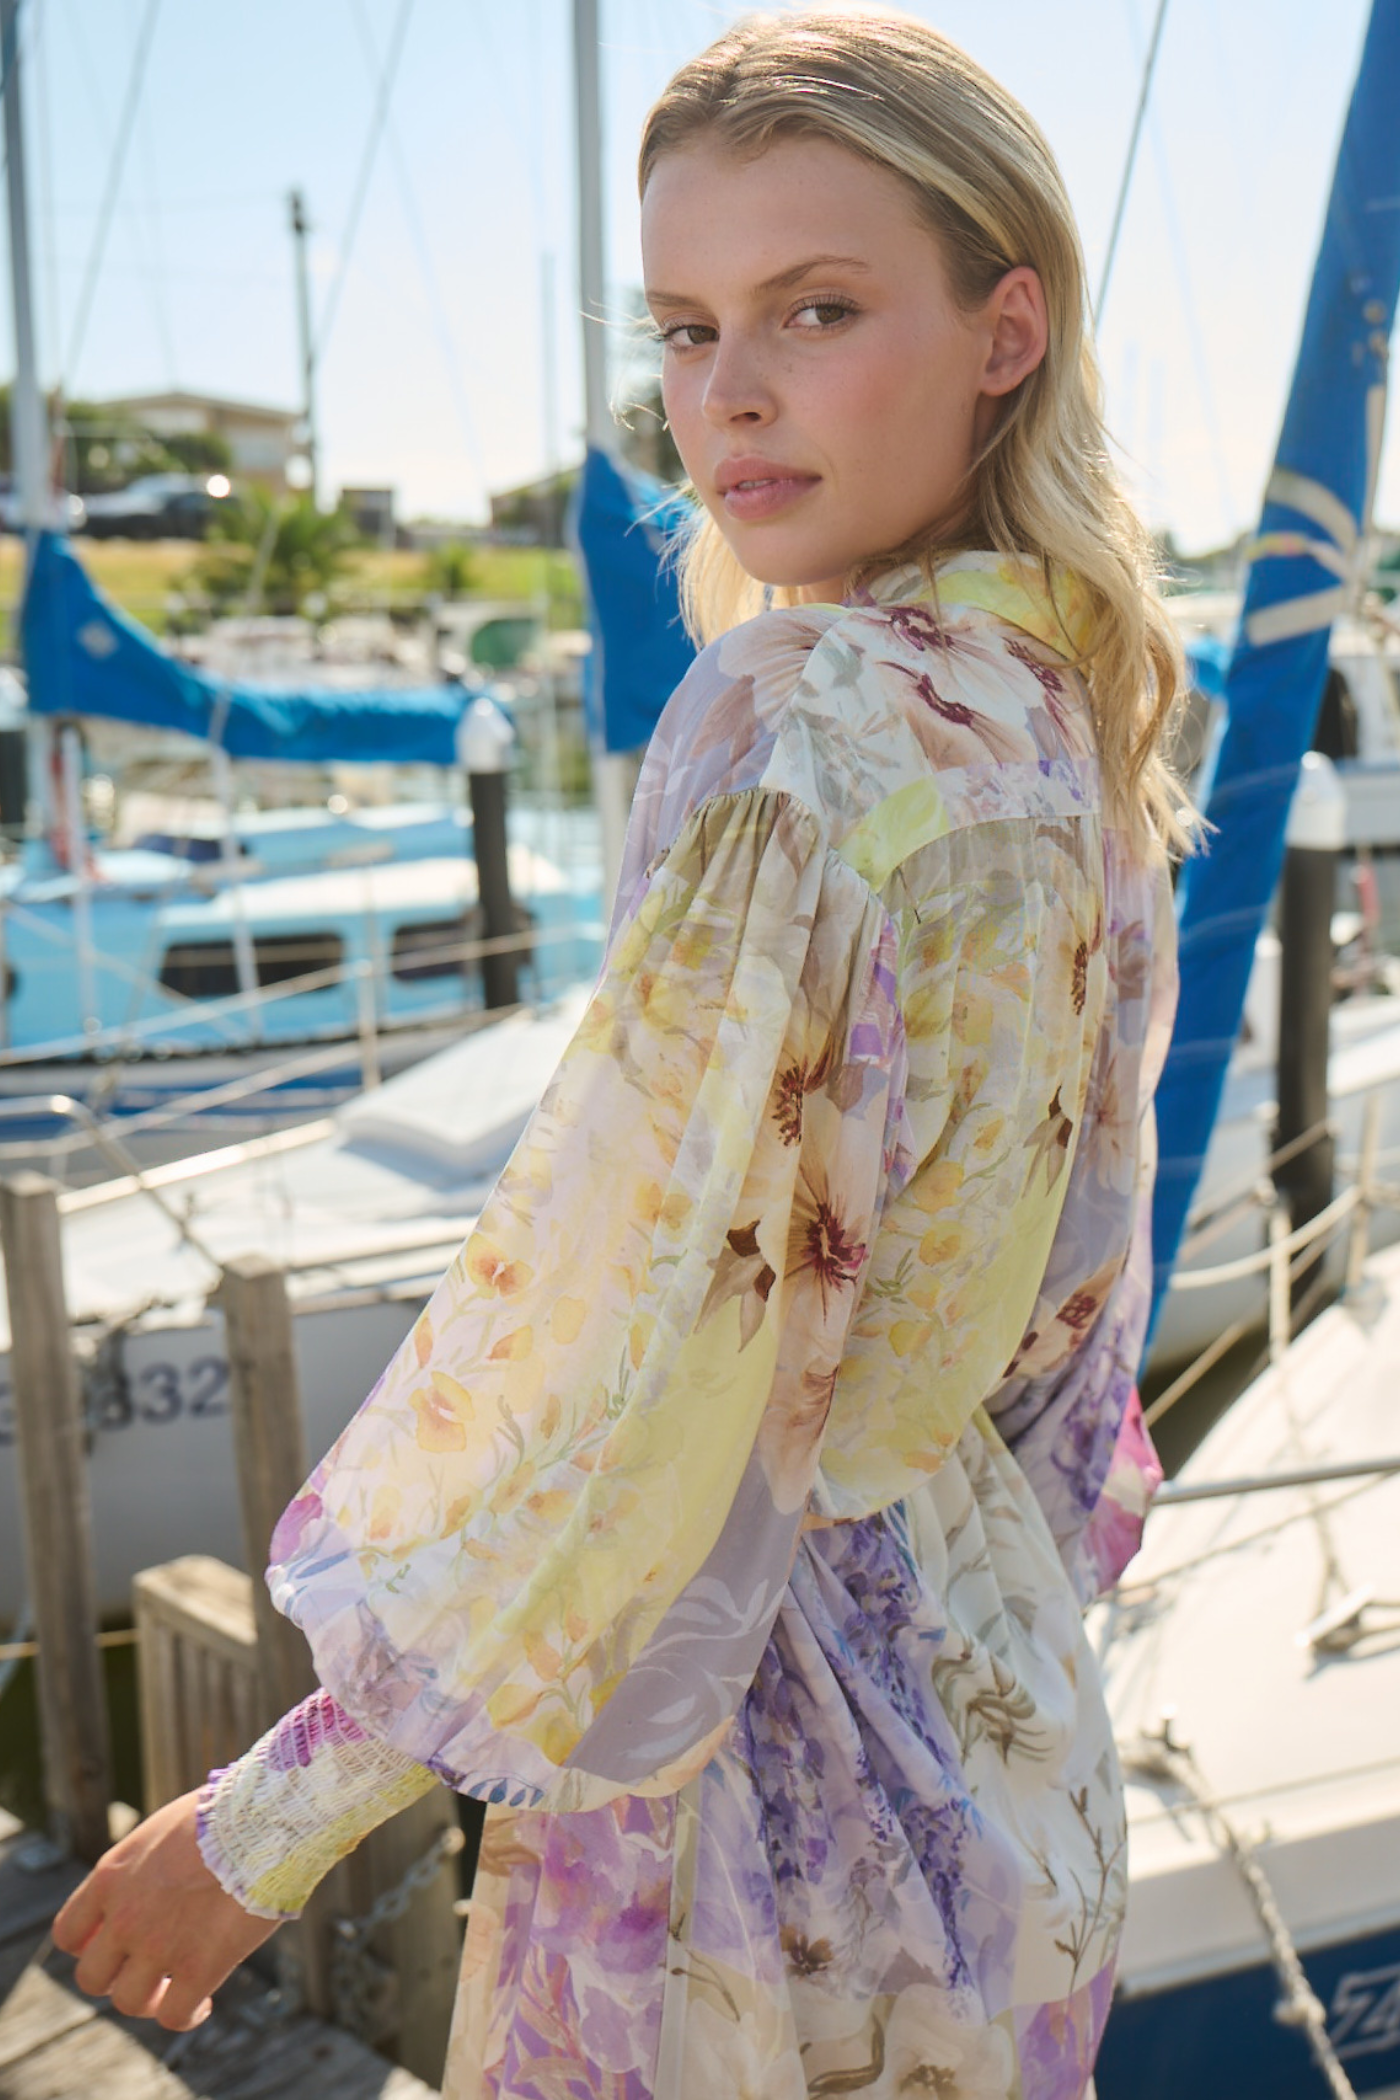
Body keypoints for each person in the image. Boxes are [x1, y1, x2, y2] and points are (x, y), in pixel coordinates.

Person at [54, 12, 1189, 2095]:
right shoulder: (1069, 729)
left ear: (1001, 327)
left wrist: (269, 1818)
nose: (722, 393)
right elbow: (1072, 1308)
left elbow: (642, 1363)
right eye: (681, 328)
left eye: (814, 308)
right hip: (1004, 1751)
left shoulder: (807, 721)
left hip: (763, 1832)